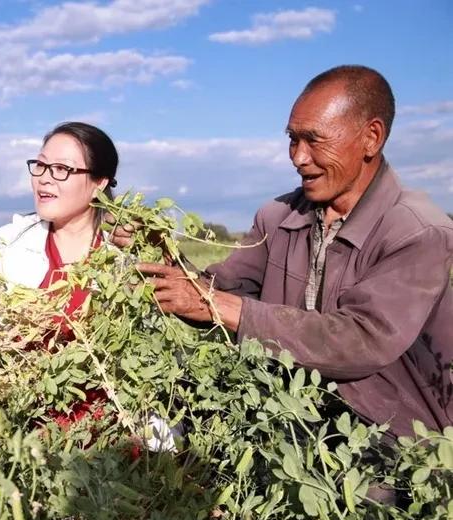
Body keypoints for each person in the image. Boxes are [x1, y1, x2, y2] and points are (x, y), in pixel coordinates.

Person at [128, 65, 453, 441]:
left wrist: (216, 304)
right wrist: (165, 260)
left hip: (388, 430)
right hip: (284, 410)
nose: (298, 157)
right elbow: (222, 285)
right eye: (293, 139)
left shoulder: (418, 232)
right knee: (166, 432)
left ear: (371, 138)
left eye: (314, 140)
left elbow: (361, 339)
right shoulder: (278, 216)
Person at [0, 121, 176, 450]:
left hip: (118, 432)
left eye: (61, 169)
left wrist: (159, 248)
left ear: (98, 183)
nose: (44, 176)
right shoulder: (14, 238)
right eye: (40, 165)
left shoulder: (129, 251)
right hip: (26, 429)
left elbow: (166, 343)